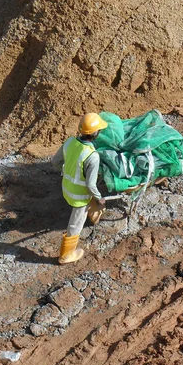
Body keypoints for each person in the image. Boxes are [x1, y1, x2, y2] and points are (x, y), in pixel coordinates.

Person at [51, 113, 108, 264]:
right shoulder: (92, 156)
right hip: (79, 197)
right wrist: (99, 198)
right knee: (75, 226)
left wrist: (66, 171)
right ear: (95, 134)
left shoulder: (69, 142)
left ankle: (91, 213)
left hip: (66, 188)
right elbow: (90, 185)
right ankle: (65, 256)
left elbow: (55, 161)